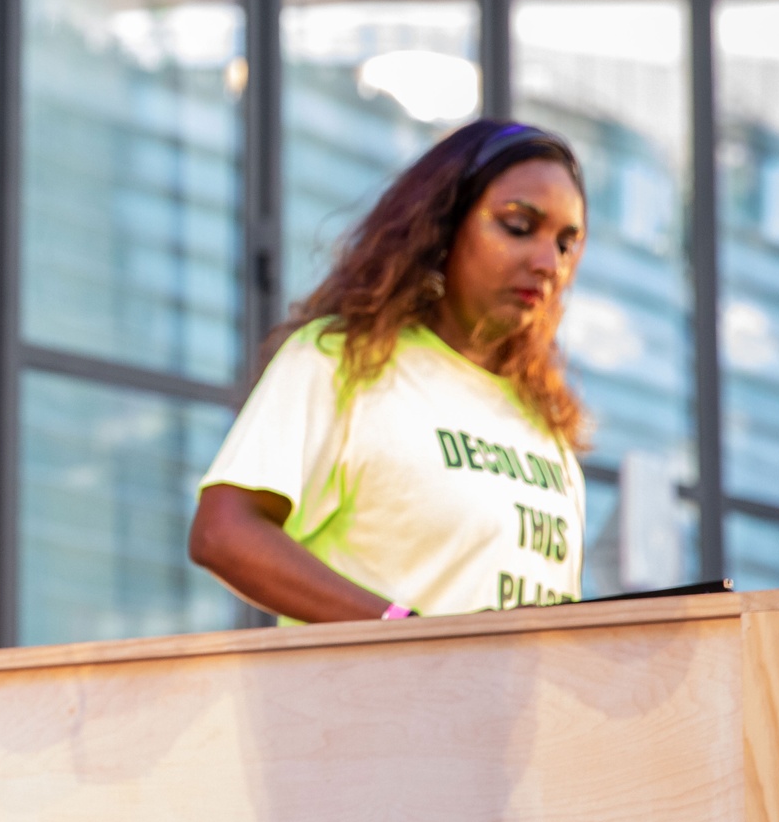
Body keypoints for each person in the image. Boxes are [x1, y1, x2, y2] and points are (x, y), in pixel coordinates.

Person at [190, 119, 587, 624]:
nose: (547, 262)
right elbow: (223, 533)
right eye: (517, 226)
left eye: (565, 244)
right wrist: (402, 631)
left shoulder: (544, 422)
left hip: (507, 705)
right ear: (442, 225)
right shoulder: (343, 360)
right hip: (372, 699)